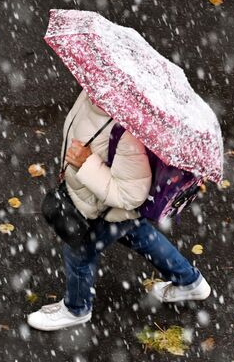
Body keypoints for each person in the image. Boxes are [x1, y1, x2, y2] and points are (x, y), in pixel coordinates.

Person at [27, 90, 211, 331]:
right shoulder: (94, 94)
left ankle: (76, 309)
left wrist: (86, 163)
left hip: (104, 210)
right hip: (100, 203)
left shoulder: (127, 134)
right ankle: (189, 281)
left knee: (79, 251)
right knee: (138, 234)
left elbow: (131, 195)